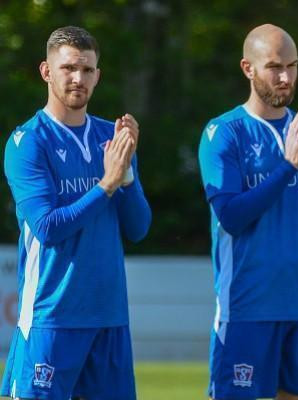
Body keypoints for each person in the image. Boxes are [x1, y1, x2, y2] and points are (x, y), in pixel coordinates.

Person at [0, 26, 151, 400]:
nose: (77, 78)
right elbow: (48, 227)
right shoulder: (28, 142)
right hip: (52, 320)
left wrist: (127, 173)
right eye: (68, 68)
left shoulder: (110, 138)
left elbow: (138, 228)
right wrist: (107, 185)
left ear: (98, 75)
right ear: (46, 72)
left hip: (109, 319)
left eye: (86, 70)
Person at [197, 24, 298, 400]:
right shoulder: (224, 132)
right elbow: (231, 215)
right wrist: (287, 168)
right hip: (248, 305)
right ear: (248, 68)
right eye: (274, 67)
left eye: (292, 66)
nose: (285, 77)